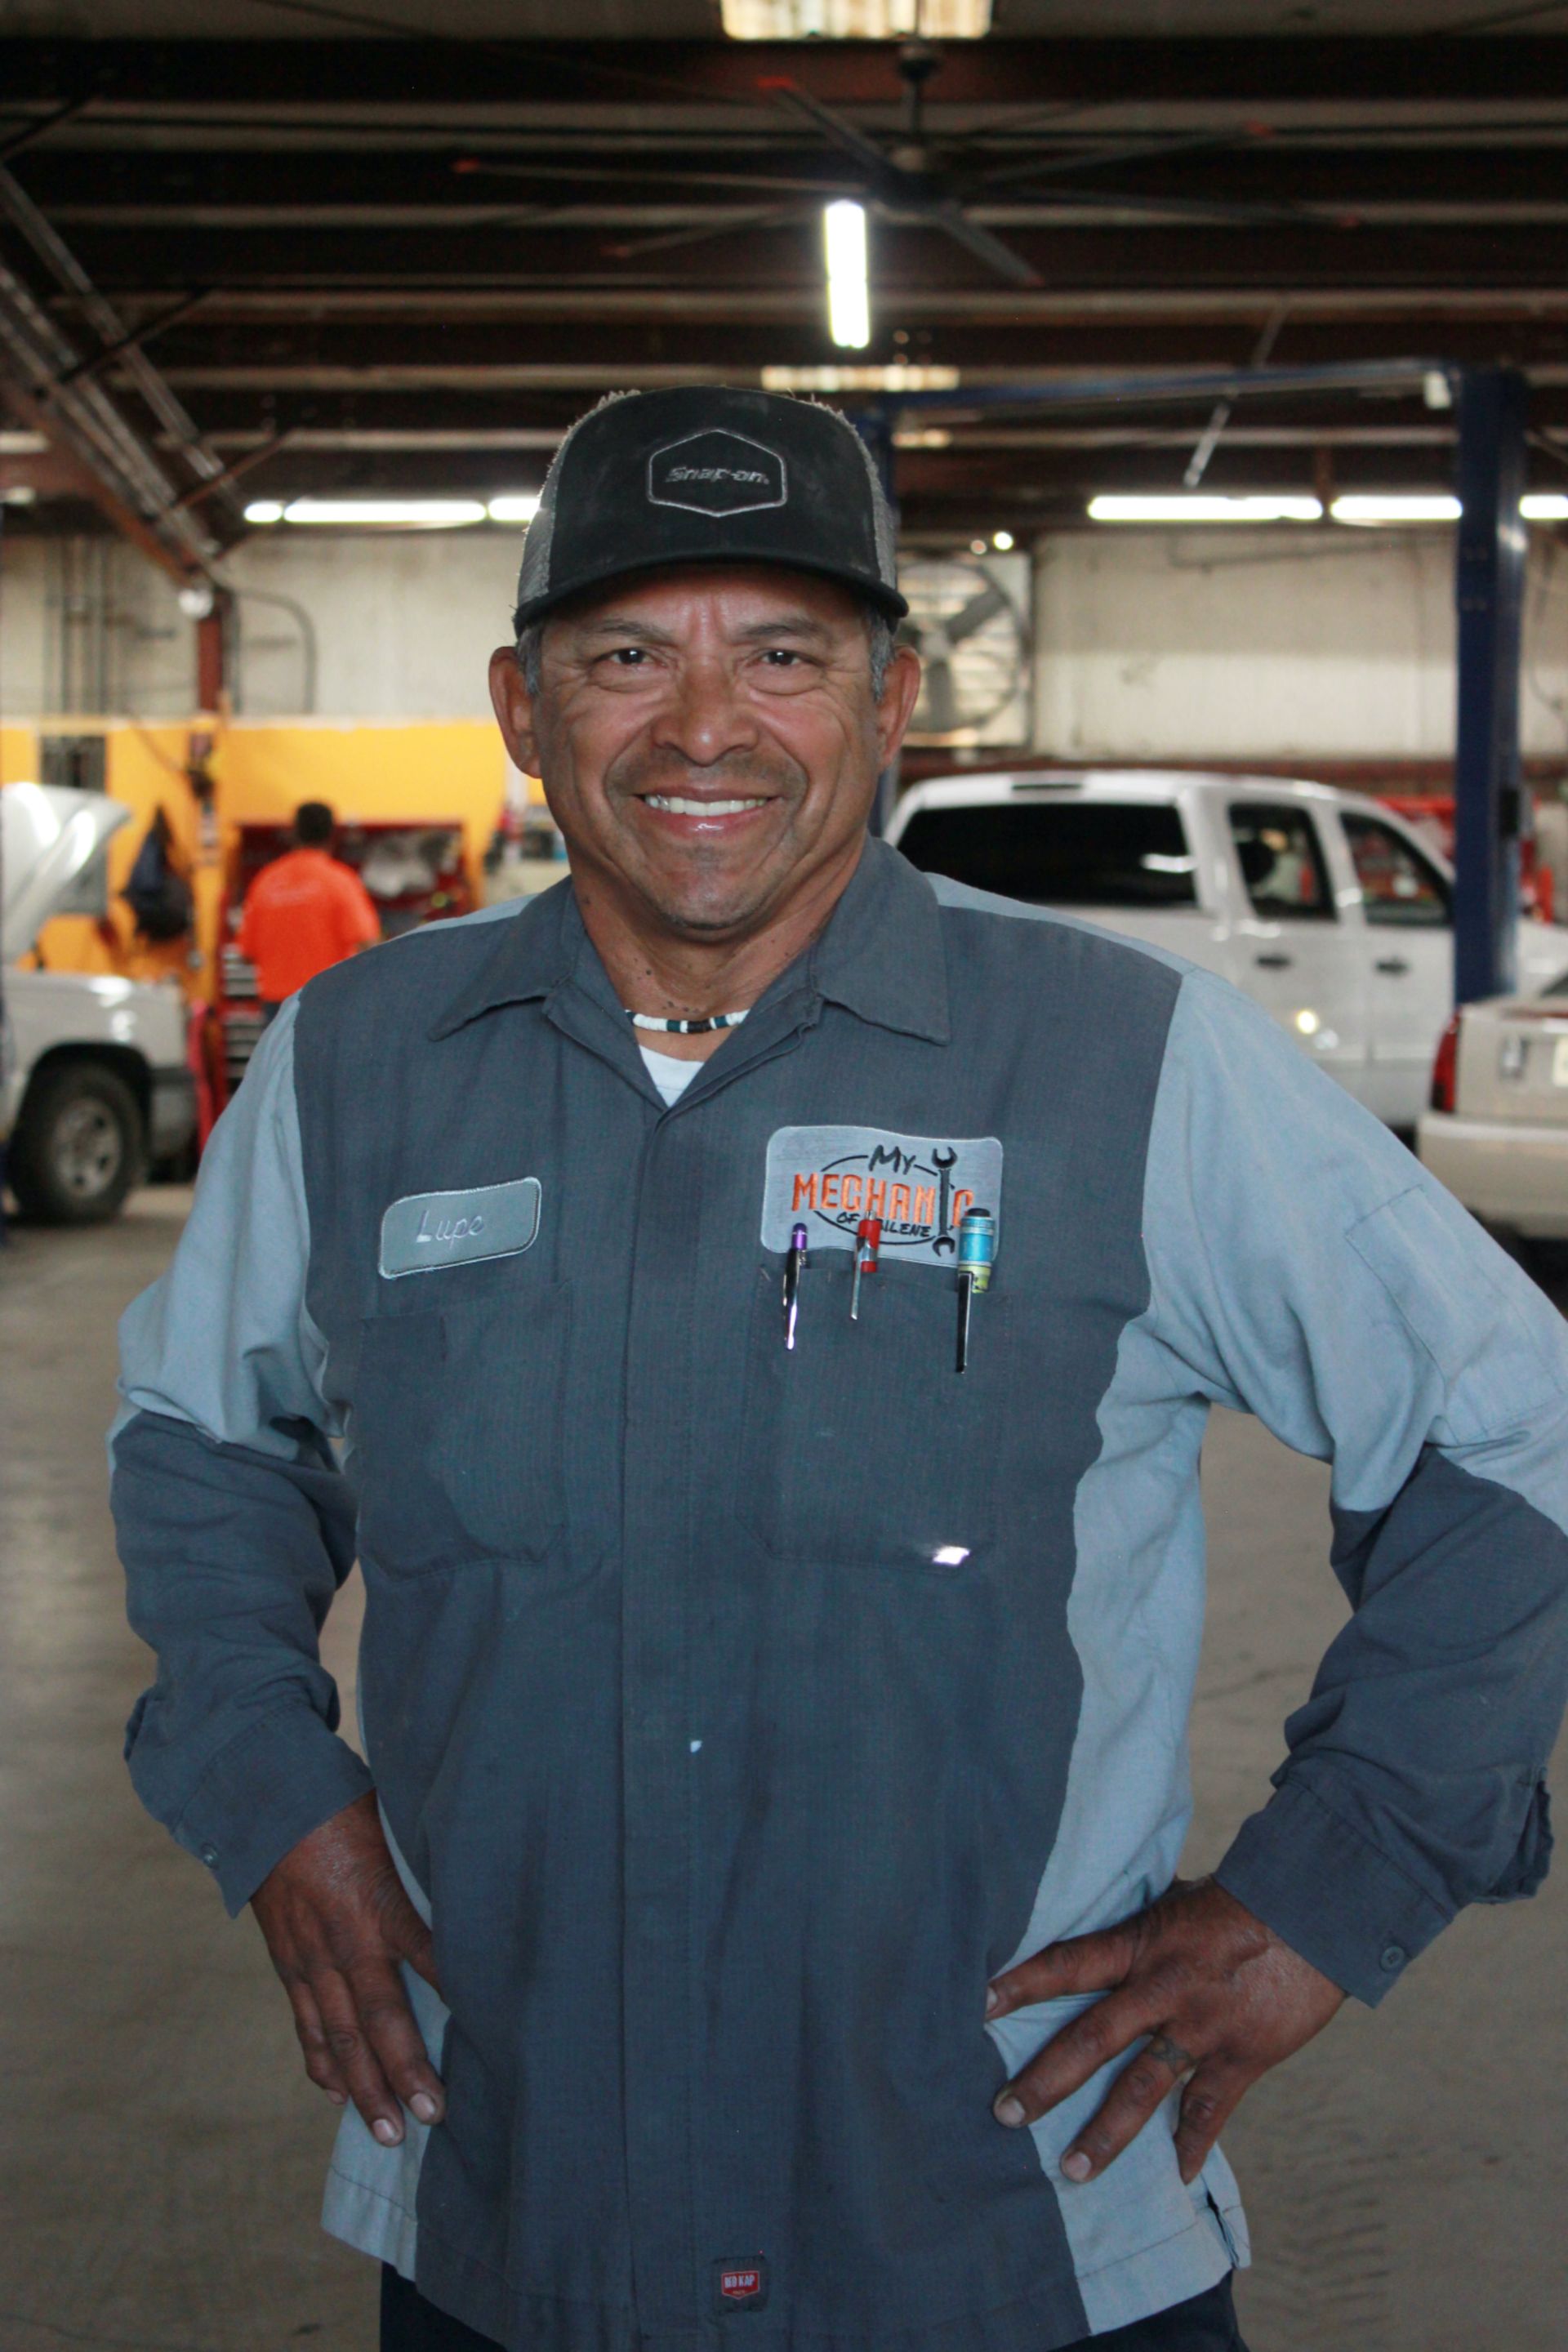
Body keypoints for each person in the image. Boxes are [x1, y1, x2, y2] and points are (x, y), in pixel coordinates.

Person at [112, 388, 1568, 2352]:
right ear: (520, 708)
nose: (704, 728)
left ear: (892, 703)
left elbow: (1510, 1425)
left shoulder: (1125, 1059)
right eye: (627, 656)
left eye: (781, 656)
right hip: (506, 2212)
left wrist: (1335, 1880)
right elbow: (209, 1439)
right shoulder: (359, 1062)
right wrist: (279, 1797)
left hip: (1008, 2234)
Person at [238, 799, 381, 1021]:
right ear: (332, 834)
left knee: (279, 1056)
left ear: (294, 833)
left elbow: (246, 954)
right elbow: (368, 944)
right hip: (328, 999)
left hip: (277, 1006)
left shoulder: (266, 881)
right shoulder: (340, 881)